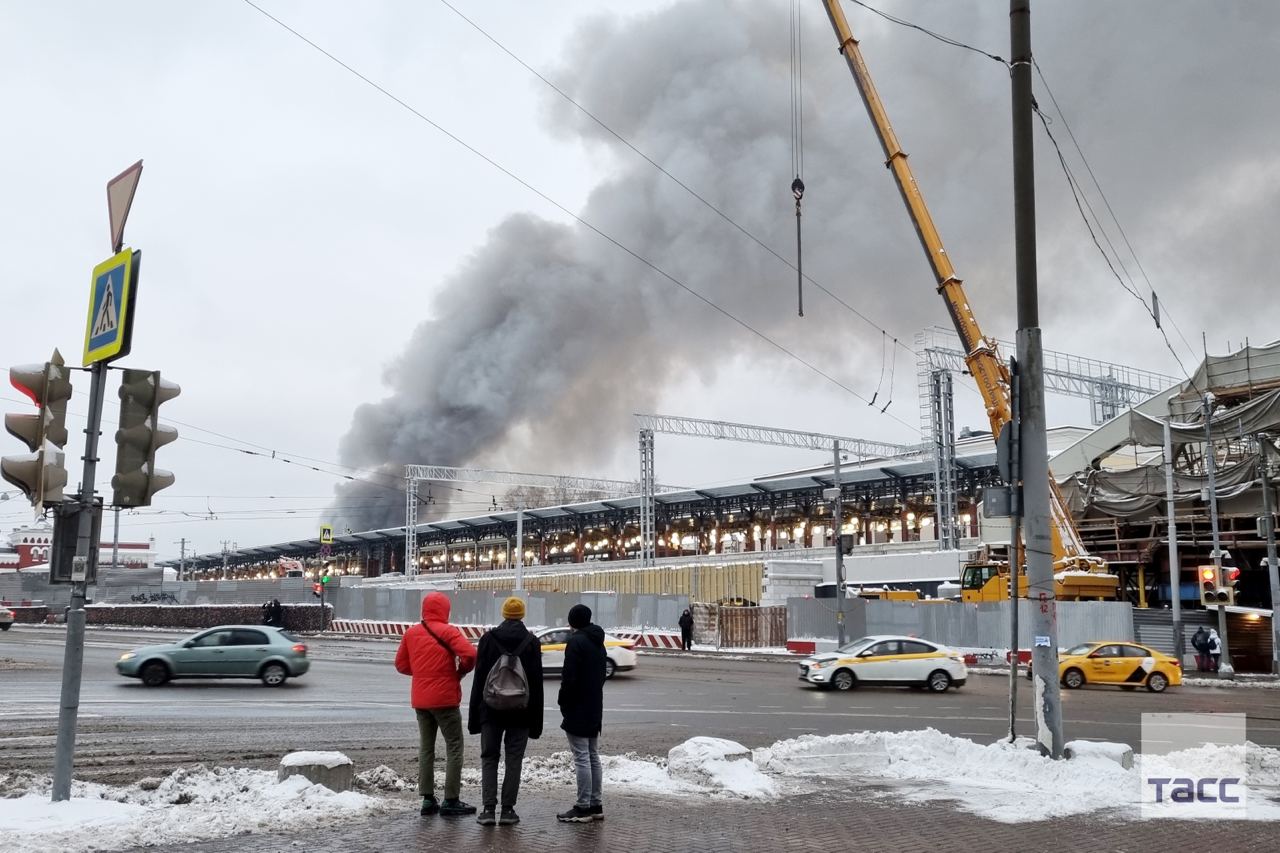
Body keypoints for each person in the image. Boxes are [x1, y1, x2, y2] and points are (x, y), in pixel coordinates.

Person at [395, 591, 477, 817]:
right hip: (445, 700)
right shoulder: (448, 631)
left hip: (421, 701)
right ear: (445, 610)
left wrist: (423, 674)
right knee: (454, 747)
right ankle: (451, 800)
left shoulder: (411, 633)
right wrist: (459, 672)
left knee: (426, 748)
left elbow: (401, 665)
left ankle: (428, 800)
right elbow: (470, 654)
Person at [468, 596, 543, 827]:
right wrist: (535, 724)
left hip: (490, 710)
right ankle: (508, 811)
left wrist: (474, 719)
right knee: (514, 761)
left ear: (503, 614)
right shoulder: (531, 642)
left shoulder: (488, 640)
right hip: (521, 713)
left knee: (489, 758)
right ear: (522, 615)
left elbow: (479, 679)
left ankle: (488, 810)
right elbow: (536, 685)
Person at [557, 603, 607, 824]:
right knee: (592, 755)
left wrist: (563, 702)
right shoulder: (598, 641)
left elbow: (569, 678)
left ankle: (583, 807)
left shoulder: (576, 642)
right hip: (594, 704)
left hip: (578, 706)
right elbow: (602, 674)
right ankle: (596, 804)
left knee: (582, 757)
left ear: (573, 621)